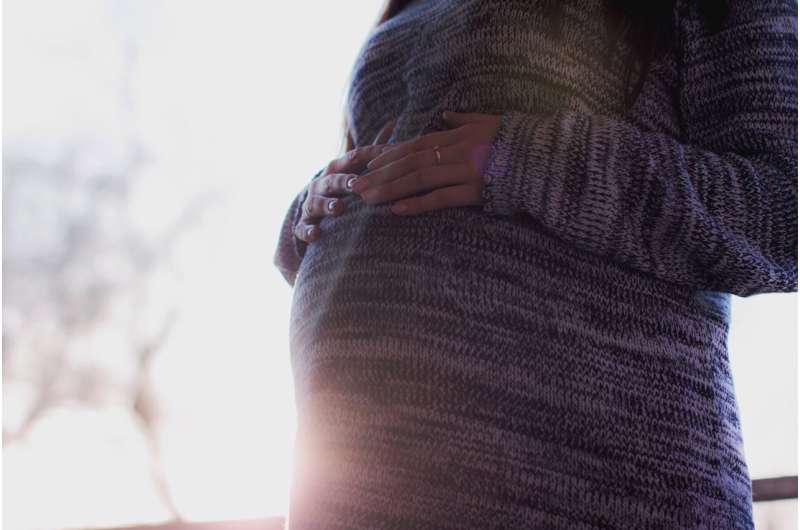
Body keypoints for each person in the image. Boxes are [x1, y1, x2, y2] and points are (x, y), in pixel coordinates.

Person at [273, 0, 797, 528]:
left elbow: (784, 213)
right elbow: (400, 158)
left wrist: (521, 158)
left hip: (593, 474)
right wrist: (314, 211)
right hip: (357, 464)